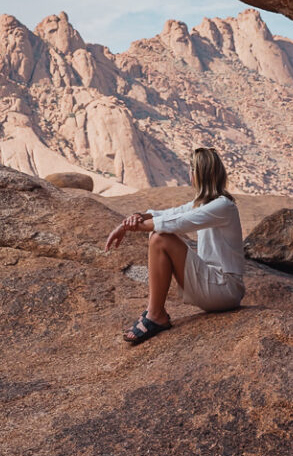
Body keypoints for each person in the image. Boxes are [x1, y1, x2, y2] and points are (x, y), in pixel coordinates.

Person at [104, 147, 245, 344]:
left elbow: (177, 223)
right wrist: (138, 217)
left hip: (224, 288)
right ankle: (155, 313)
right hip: (215, 285)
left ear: (196, 174)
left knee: (160, 237)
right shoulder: (204, 203)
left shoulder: (223, 206)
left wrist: (131, 228)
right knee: (159, 233)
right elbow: (169, 214)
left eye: (191, 170)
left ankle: (155, 315)